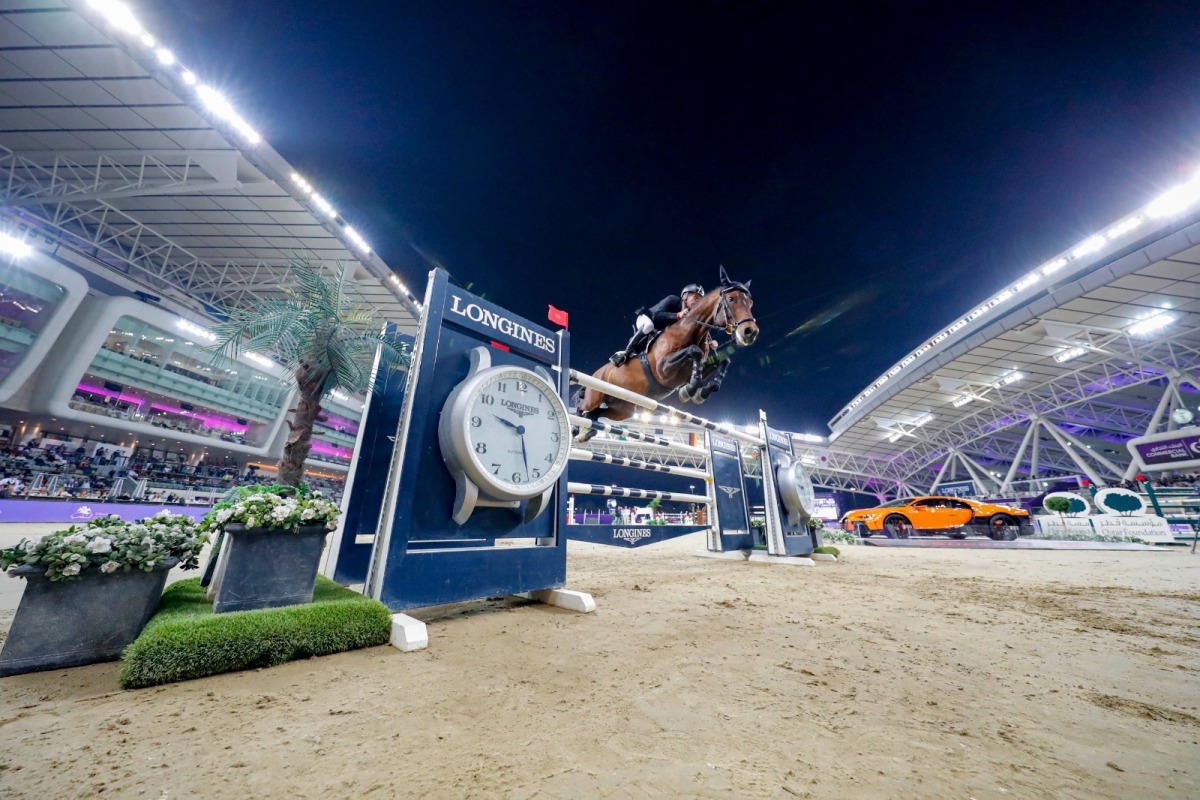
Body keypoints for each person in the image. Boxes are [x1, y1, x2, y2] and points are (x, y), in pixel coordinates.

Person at [610, 283, 712, 366]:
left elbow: (699, 327)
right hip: (647, 318)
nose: (697, 301)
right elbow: (656, 316)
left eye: (700, 299)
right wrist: (678, 315)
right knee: (649, 325)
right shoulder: (672, 300)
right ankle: (626, 352)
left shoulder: (690, 315)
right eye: (695, 297)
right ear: (685, 296)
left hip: (659, 331)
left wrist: (709, 342)